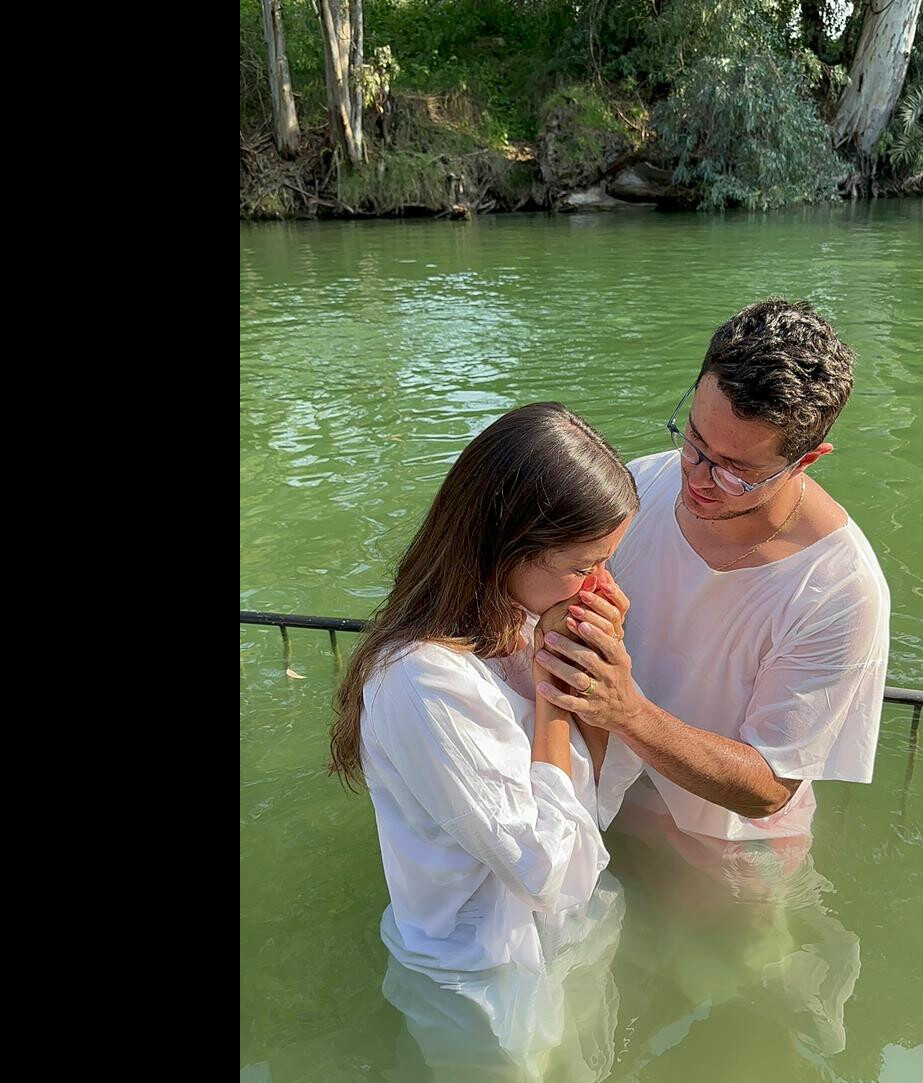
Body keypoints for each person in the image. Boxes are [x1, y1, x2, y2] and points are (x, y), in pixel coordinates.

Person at [531, 299, 890, 842]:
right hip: (600, 797)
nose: (698, 478)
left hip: (727, 840)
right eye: (694, 441)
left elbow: (770, 786)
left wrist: (628, 713)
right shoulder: (635, 490)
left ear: (807, 462)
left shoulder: (840, 589)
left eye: (736, 471)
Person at [328, 402, 642, 995]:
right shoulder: (423, 680)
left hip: (560, 937)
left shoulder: (523, 622)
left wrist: (596, 678)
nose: (603, 587)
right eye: (583, 568)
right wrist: (552, 693)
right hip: (480, 978)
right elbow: (543, 868)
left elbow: (592, 807)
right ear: (505, 547)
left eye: (606, 563)